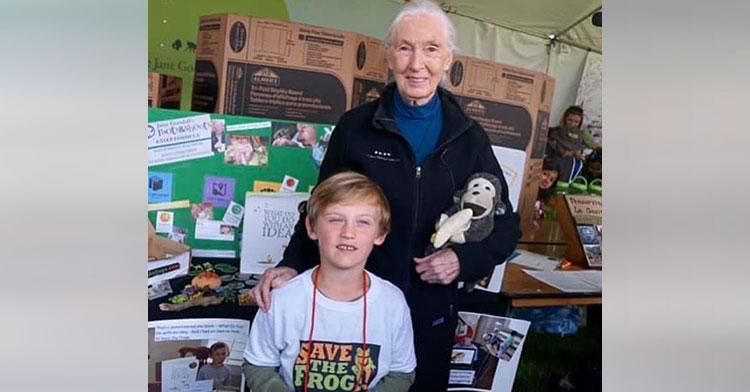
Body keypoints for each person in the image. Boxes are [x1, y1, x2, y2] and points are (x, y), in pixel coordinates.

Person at [249, 1, 520, 390]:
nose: (416, 63)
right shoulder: (356, 128)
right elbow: (320, 208)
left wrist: (462, 260)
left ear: (448, 60)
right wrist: (292, 264)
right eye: (405, 47)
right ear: (389, 55)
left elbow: (506, 226)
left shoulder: (470, 138)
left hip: (431, 310)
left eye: (431, 49)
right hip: (357, 303)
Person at [243, 172, 416, 392]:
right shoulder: (282, 299)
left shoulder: (393, 303)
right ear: (312, 228)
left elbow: (401, 372)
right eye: (335, 219)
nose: (348, 233)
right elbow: (259, 366)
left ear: (380, 234)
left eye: (363, 222)